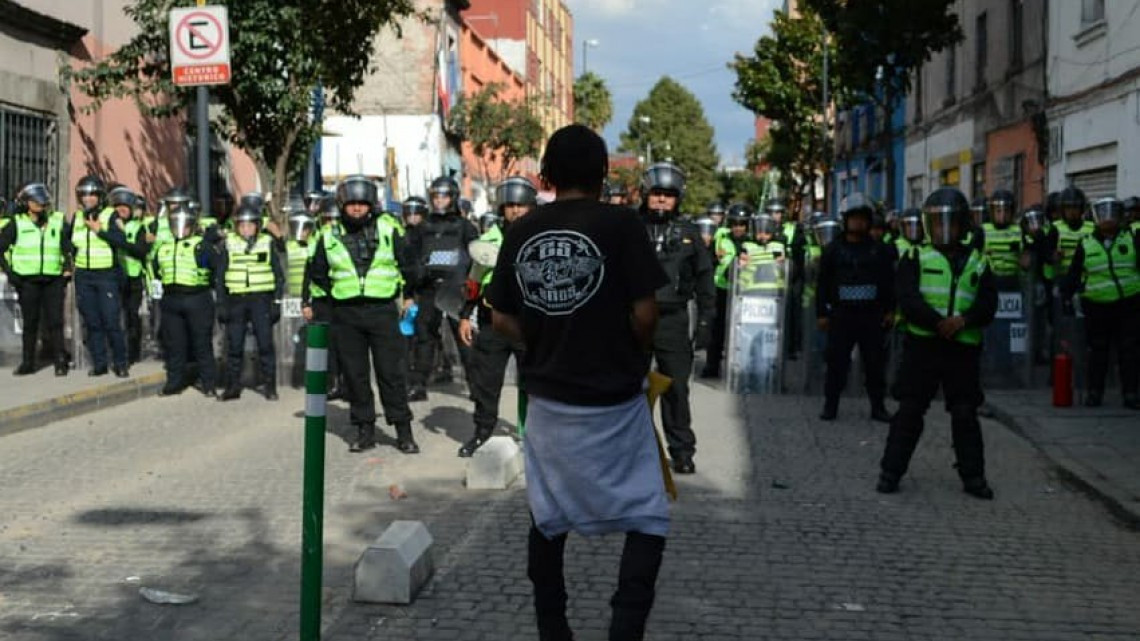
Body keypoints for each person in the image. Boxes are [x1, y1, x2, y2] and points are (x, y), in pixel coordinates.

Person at [486, 123, 669, 641]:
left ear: (545, 176)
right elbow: (647, 313)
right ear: (605, 174)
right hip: (615, 401)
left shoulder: (521, 231)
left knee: (548, 516)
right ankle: (625, 626)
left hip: (548, 404)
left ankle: (553, 628)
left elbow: (499, 318)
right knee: (648, 514)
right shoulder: (622, 226)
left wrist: (542, 339)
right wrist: (623, 339)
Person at [878, 187, 997, 500]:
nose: (945, 230)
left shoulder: (979, 261)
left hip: (963, 348)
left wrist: (963, 321)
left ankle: (973, 477)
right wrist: (937, 323)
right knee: (910, 411)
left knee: (964, 413)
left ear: (963, 225)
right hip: (924, 348)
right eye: (938, 223)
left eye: (951, 223)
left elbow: (988, 303)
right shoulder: (915, 256)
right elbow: (908, 298)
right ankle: (890, 472)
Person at [307, 175, 419, 453]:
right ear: (342, 204)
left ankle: (403, 430)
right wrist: (326, 306)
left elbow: (408, 264)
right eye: (351, 203)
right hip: (346, 313)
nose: (357, 209)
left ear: (371, 204)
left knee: (391, 372)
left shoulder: (388, 227)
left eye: (362, 203)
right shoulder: (327, 234)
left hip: (382, 310)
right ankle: (364, 429)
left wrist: (409, 296)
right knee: (354, 375)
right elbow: (317, 274)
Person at [640, 161, 715, 474]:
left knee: (676, 390)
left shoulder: (689, 234)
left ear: (678, 198)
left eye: (668, 195)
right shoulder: (629, 226)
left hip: (672, 319)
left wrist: (705, 325)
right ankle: (631, 451)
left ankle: (682, 451)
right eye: (656, 193)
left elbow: (705, 280)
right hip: (634, 319)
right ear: (646, 194)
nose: (661, 200)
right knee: (629, 388)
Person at [456, 176, 535, 457]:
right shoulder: (487, 241)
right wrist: (466, 316)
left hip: (529, 324)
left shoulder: (540, 239)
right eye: (510, 205)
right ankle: (482, 433)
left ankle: (532, 436)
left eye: (521, 205)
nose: (515, 210)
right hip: (493, 323)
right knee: (486, 383)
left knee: (532, 383)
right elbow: (473, 284)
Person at [816, 193, 895, 422]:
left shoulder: (879, 250)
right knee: (837, 363)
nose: (858, 223)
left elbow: (888, 283)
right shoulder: (833, 250)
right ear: (845, 220)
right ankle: (830, 406)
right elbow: (822, 283)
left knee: (874, 364)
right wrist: (822, 313)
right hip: (842, 316)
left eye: (863, 218)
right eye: (854, 219)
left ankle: (878, 407)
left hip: (871, 316)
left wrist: (890, 310)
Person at [405, 176, 479, 401]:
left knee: (464, 339)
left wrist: (472, 291)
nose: (439, 200)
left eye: (444, 196)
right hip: (429, 289)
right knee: (424, 337)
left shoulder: (465, 227)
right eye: (435, 196)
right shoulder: (422, 228)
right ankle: (419, 385)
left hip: (457, 290)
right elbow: (412, 260)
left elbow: (476, 260)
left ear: (453, 198)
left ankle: (476, 387)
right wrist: (409, 293)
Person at [1061, 198, 1140, 409]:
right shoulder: (1086, 243)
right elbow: (1074, 274)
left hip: (1129, 304)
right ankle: (1095, 393)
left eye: (1112, 213)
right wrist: (1067, 297)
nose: (1108, 218)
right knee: (1098, 352)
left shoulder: (1132, 239)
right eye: (1103, 213)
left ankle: (1131, 394)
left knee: (1129, 351)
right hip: (1096, 306)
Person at [152, 190, 220, 397]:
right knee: (175, 344)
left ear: (192, 226)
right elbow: (157, 269)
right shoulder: (163, 248)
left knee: (201, 343)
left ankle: (208, 383)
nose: (180, 229)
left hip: (197, 298)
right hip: (171, 299)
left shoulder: (202, 246)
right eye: (175, 225)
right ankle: (174, 382)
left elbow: (216, 269)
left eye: (185, 225)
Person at [216, 204, 285, 401]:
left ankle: (270, 386)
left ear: (257, 225)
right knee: (234, 345)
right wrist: (221, 303)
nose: (245, 229)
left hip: (260, 299)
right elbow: (220, 277)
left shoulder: (266, 242)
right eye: (241, 225)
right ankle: (233, 386)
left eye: (249, 225)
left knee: (265, 344)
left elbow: (278, 275)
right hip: (236, 299)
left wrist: (276, 302)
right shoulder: (228, 243)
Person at [0, 183, 69, 376]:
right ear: (26, 203)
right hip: (27, 281)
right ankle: (28, 362)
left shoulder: (56, 221)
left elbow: (67, 247)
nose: (41, 204)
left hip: (53, 279)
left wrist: (67, 268)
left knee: (55, 321)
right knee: (30, 322)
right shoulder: (16, 223)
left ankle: (60, 362)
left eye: (43, 201)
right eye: (36, 201)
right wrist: (11, 273)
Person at [68, 175, 129, 377]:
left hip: (106, 274)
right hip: (84, 275)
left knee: (111, 321)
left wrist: (100, 230)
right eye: (84, 194)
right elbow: (68, 242)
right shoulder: (77, 217)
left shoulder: (110, 215)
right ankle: (100, 363)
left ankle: (120, 363)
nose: (88, 198)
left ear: (100, 197)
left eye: (93, 194)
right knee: (92, 322)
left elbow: (121, 240)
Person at [301, 196, 346, 400]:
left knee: (346, 343)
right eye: (327, 219)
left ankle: (348, 384)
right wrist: (305, 301)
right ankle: (333, 382)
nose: (331, 224)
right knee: (327, 344)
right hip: (322, 300)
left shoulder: (346, 237)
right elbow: (308, 272)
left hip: (343, 297)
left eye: (335, 219)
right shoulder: (315, 238)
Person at [701, 203, 751, 378]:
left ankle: (741, 369)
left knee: (742, 332)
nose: (738, 228)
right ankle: (712, 366)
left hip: (744, 293)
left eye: (742, 224)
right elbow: (706, 260)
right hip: (722, 290)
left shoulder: (752, 242)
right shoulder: (721, 238)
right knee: (717, 331)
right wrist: (715, 256)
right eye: (735, 223)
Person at [110, 187, 151, 365]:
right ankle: (117, 352)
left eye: (125, 207)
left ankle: (133, 353)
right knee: (114, 316)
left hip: (133, 277)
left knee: (131, 316)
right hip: (114, 276)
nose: (122, 211)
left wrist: (124, 241)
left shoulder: (138, 228)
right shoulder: (109, 225)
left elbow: (141, 250)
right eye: (118, 208)